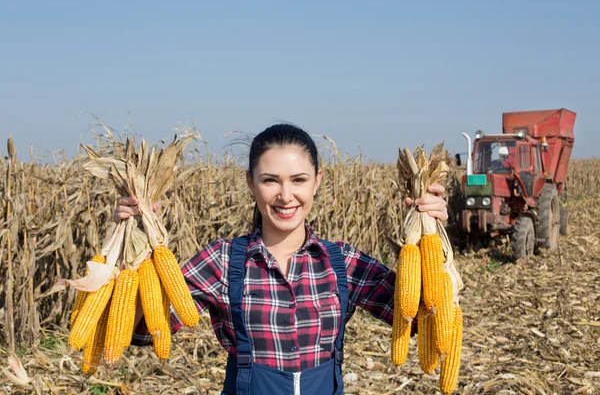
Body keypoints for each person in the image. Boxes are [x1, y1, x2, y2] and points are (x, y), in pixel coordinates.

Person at [114, 124, 448, 395]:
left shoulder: (343, 263)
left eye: (299, 180)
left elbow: (421, 318)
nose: (286, 196)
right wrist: (135, 249)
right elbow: (145, 331)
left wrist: (432, 237)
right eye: (270, 180)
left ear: (317, 182)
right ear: (251, 184)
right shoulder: (222, 261)